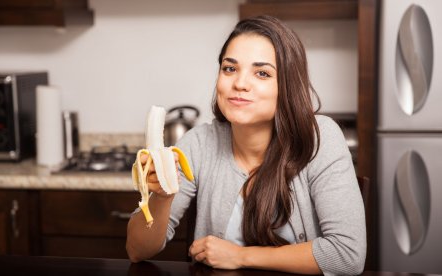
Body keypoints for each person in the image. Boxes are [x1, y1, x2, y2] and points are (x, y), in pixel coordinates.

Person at [126, 15, 366, 275]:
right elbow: (138, 251)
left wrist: (241, 256)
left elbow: (347, 255)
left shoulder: (320, 139)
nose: (239, 84)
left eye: (262, 73)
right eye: (229, 68)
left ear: (287, 86)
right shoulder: (198, 144)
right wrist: (162, 197)